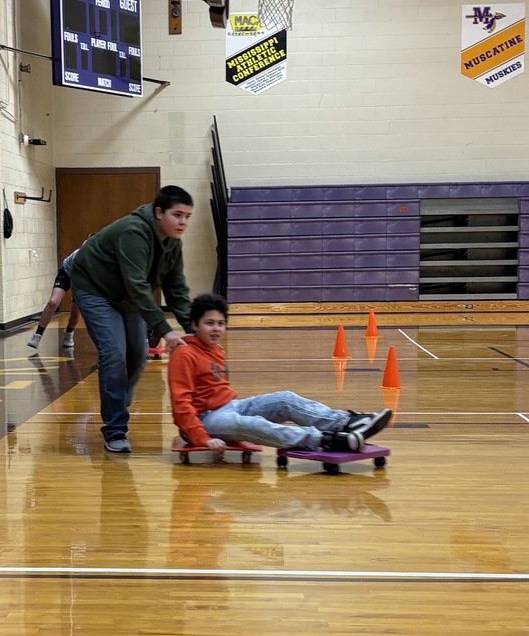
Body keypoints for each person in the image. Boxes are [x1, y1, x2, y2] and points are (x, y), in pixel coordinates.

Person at [168, 293, 392, 452]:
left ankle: (346, 422)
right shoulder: (184, 354)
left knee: (285, 399)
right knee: (255, 424)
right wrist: (201, 438)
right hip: (204, 420)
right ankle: (328, 440)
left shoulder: (216, 349)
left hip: (229, 407)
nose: (216, 329)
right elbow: (181, 405)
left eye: (221, 323)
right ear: (194, 325)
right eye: (209, 323)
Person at [71, 185, 195, 453]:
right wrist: (167, 331)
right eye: (178, 215)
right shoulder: (133, 232)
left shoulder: (173, 243)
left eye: (187, 216)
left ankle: (115, 403)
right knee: (114, 354)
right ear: (158, 212)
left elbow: (177, 290)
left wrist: (193, 330)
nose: (183, 222)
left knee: (138, 356)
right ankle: (115, 429)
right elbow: (137, 287)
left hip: (126, 295)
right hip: (94, 288)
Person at [27, 250, 80, 351]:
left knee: (76, 309)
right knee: (53, 302)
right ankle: (38, 334)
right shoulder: (80, 254)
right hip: (67, 272)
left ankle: (69, 332)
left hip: (81, 279)